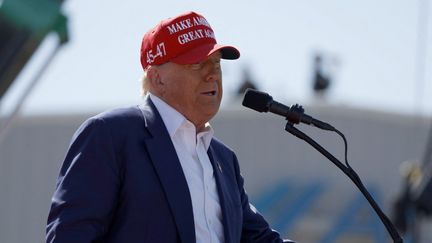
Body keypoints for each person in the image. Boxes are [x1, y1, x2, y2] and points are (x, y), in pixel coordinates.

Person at [46, 11, 294, 243]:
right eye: (196, 64)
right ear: (157, 78)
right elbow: (71, 235)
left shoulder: (224, 160)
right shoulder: (109, 135)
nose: (212, 75)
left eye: (216, 64)